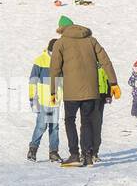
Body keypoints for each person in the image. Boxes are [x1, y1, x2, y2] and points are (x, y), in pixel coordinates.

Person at [49, 19, 118, 167]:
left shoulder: (60, 43)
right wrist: (113, 83)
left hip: (71, 92)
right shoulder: (91, 40)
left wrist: (53, 91)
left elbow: (54, 68)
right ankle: (87, 155)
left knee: (70, 120)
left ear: (62, 28)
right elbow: (106, 61)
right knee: (86, 121)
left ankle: (74, 155)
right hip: (91, 91)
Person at [26, 27, 63, 162]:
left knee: (55, 126)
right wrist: (32, 99)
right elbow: (33, 81)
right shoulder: (40, 60)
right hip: (43, 100)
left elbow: (63, 82)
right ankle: (33, 149)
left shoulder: (61, 61)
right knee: (42, 125)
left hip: (56, 100)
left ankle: (53, 152)